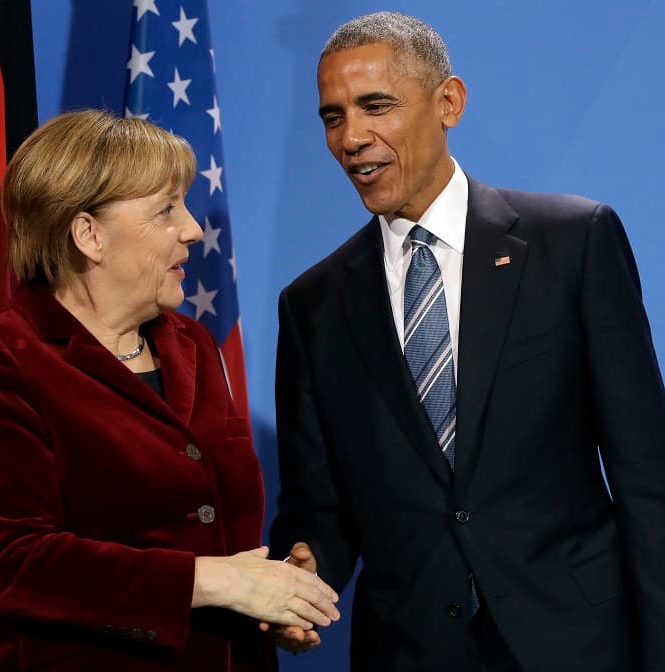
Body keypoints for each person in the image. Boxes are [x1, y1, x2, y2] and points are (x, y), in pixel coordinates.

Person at [269, 11, 665, 672]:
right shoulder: (313, 304)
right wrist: (307, 569)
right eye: (333, 117)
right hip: (410, 652)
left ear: (448, 102)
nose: (351, 138)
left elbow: (647, 475)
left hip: (576, 644)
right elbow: (318, 505)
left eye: (376, 106)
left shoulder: (572, 242)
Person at [0, 109, 339, 672]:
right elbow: (15, 562)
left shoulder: (193, 344)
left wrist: (273, 600)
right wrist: (217, 581)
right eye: (167, 209)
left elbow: (214, 534)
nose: (193, 229)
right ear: (89, 235)